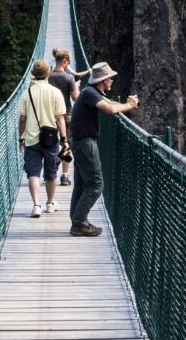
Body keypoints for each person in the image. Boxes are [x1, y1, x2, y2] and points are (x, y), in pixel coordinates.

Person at [64, 59, 139, 238]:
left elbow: (111, 103)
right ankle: (79, 223)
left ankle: (77, 220)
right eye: (110, 78)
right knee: (96, 185)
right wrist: (129, 106)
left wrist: (127, 104)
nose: (112, 80)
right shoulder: (90, 93)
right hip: (85, 143)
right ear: (103, 80)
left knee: (82, 184)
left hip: (80, 142)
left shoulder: (91, 92)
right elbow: (110, 110)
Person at [16, 58, 67, 217]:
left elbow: (22, 119)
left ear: (34, 75)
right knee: (51, 173)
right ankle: (50, 203)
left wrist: (21, 138)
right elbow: (60, 118)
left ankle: (36, 205)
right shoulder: (55, 92)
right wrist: (64, 139)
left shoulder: (26, 93)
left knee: (33, 173)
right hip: (51, 139)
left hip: (31, 140)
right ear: (48, 74)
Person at [43, 49, 78, 212]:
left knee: (52, 145)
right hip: (67, 115)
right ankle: (64, 176)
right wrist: (76, 85)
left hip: (50, 116)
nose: (69, 64)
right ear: (64, 61)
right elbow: (75, 98)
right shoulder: (69, 77)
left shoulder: (48, 76)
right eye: (68, 62)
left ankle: (52, 171)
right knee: (66, 145)